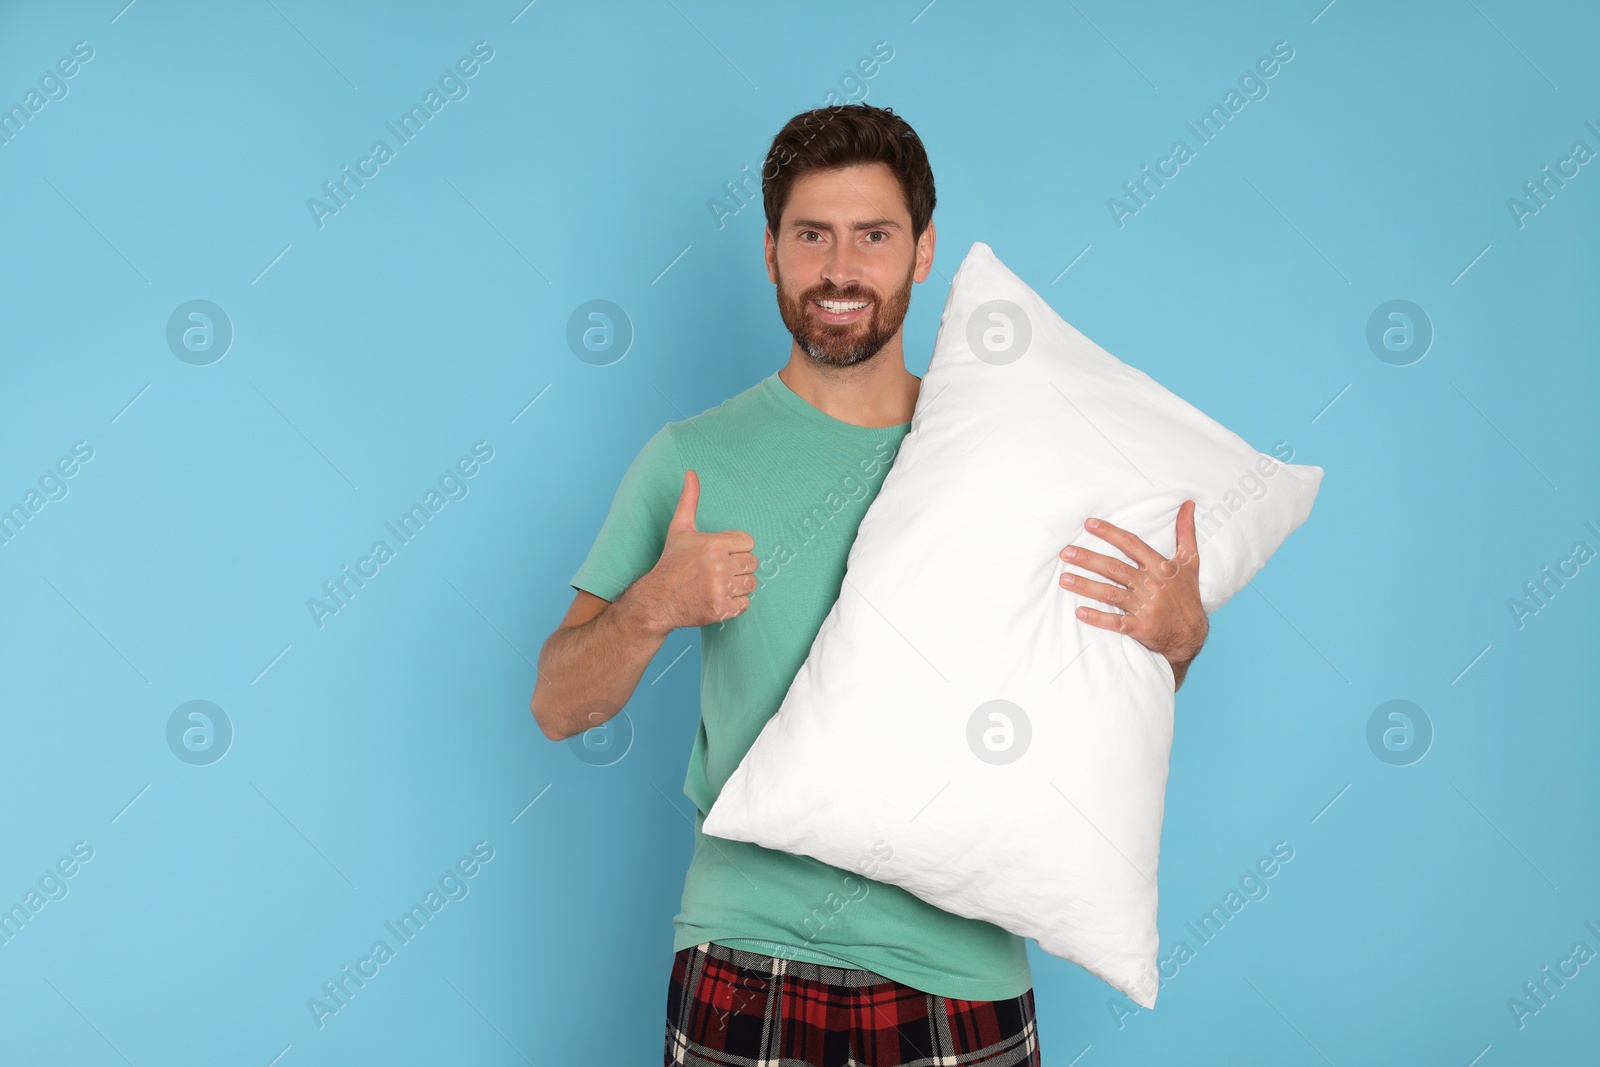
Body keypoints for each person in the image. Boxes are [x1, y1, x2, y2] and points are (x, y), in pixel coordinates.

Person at [531, 102, 1208, 1067]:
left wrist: (1176, 641)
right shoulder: (690, 460)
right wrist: (653, 606)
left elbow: (1082, 705)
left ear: (923, 252)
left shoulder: (1010, 459)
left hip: (958, 968)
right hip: (746, 957)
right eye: (813, 235)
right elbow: (558, 703)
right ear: (770, 251)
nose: (840, 269)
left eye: (874, 236)